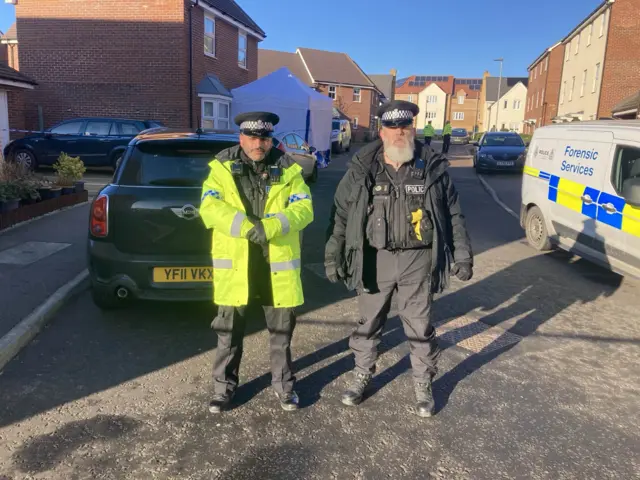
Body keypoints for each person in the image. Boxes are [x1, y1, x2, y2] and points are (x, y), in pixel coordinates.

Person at [324, 100, 473, 417]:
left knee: (420, 327)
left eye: (404, 126)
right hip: (375, 260)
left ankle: (422, 383)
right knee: (368, 324)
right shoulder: (363, 168)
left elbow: (454, 214)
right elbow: (341, 214)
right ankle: (362, 374)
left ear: (413, 129)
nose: (399, 133)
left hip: (418, 262)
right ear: (382, 131)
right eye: (392, 127)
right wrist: (332, 255)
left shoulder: (431, 166)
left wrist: (462, 254)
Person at [199, 111, 314, 414]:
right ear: (241, 137)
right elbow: (210, 208)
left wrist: (271, 227)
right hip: (238, 266)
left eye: (264, 137)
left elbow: (304, 210)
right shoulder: (221, 167)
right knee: (229, 332)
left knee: (281, 334)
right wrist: (250, 227)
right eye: (252, 137)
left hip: (274, 264)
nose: (258, 143)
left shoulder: (288, 168)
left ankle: (284, 387)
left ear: (270, 139)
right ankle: (223, 390)